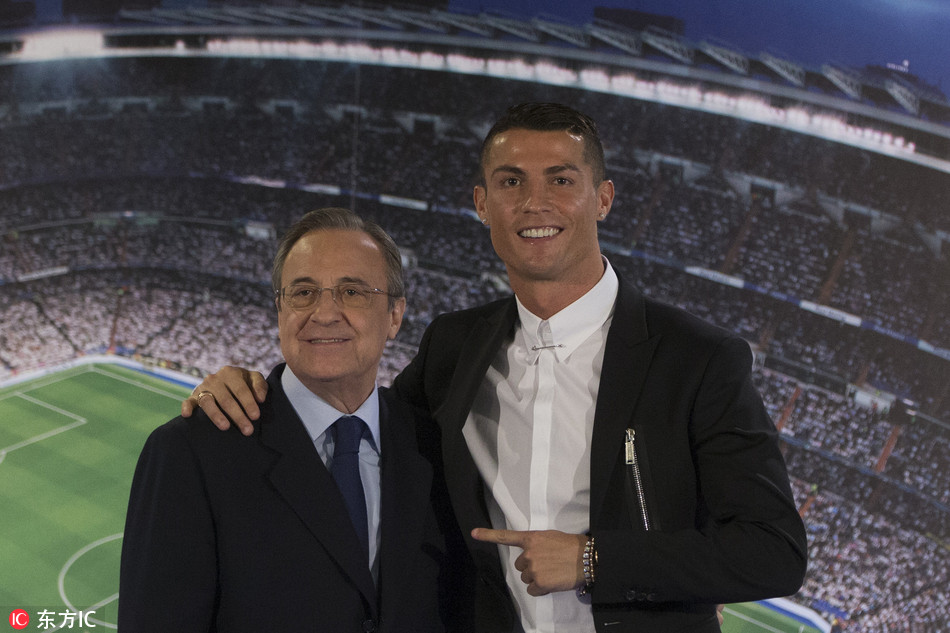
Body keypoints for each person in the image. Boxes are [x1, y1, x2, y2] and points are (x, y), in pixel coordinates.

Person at [183, 103, 808, 632]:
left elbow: (774, 551)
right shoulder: (454, 345)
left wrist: (593, 560)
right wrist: (257, 388)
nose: (534, 202)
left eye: (561, 180)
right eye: (511, 182)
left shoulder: (697, 358)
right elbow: (367, 428)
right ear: (482, 203)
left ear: (603, 199)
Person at [120, 208, 463, 632]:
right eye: (303, 292)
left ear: (395, 315)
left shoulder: (431, 444)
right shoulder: (191, 452)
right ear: (280, 310)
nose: (324, 313)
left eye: (352, 292)